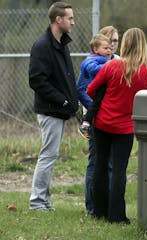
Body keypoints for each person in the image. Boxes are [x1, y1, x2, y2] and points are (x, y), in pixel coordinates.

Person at [86, 27, 147, 223]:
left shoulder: (111, 67)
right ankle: (117, 215)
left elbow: (90, 90)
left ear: (125, 44)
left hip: (102, 123)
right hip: (126, 127)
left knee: (100, 165)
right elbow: (146, 100)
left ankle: (99, 210)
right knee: (119, 170)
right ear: (143, 45)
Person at [28, 1, 78, 211]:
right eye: (70, 18)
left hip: (60, 111)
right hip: (50, 111)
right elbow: (37, 81)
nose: (73, 22)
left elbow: (65, 78)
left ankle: (44, 202)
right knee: (48, 155)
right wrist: (62, 100)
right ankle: (37, 202)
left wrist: (73, 102)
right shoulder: (42, 46)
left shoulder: (61, 44)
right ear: (58, 19)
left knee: (50, 154)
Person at [77, 25, 120, 215]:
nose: (112, 46)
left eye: (115, 42)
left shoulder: (118, 61)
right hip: (96, 117)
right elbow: (82, 89)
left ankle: (108, 205)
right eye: (108, 42)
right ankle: (92, 206)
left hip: (114, 118)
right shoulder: (92, 61)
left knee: (111, 162)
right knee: (96, 162)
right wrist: (95, 109)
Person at [77, 34, 112, 139]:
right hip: (83, 92)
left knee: (97, 109)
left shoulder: (103, 58)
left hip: (90, 91)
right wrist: (109, 66)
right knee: (95, 108)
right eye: (105, 48)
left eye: (110, 48)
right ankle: (85, 126)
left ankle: (90, 127)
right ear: (95, 49)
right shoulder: (92, 59)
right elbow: (92, 69)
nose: (109, 50)